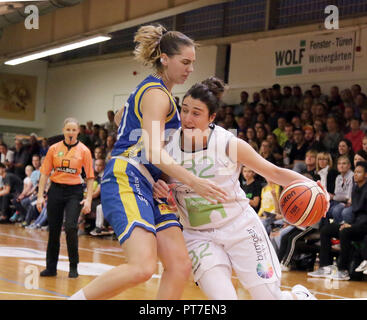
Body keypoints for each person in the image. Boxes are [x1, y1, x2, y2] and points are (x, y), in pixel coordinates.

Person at [69, 24, 227, 301]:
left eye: (193, 63)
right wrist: (194, 181)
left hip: (151, 181)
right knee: (142, 267)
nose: (190, 69)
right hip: (128, 175)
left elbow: (121, 118)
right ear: (165, 58)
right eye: (185, 62)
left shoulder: (155, 91)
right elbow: (152, 152)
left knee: (179, 266)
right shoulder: (157, 94)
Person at [154, 78, 330, 300]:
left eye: (196, 113)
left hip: (240, 227)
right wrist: (159, 189)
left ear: (212, 118)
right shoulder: (166, 146)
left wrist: (313, 187)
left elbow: (274, 173)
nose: (187, 118)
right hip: (198, 236)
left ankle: (298, 297)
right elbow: (162, 187)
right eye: (185, 110)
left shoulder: (229, 143)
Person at [36, 117, 94, 278]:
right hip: (55, 190)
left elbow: (90, 177)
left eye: (74, 130)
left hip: (74, 192)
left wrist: (88, 199)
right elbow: (44, 174)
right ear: (63, 131)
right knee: (53, 229)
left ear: (78, 132)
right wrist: (40, 196)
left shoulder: (84, 150)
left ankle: (73, 266)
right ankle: (51, 268)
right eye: (68, 129)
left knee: (70, 227)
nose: (70, 132)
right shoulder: (53, 149)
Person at [308, 161, 367, 280]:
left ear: (366, 175)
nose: (355, 174)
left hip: (364, 224)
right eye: (355, 172)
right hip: (355, 222)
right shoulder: (355, 188)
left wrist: (350, 226)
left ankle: (342, 270)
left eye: (359, 172)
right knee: (326, 230)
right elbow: (354, 211)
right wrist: (348, 223)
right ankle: (325, 267)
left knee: (344, 232)